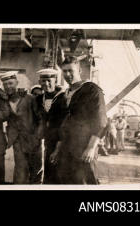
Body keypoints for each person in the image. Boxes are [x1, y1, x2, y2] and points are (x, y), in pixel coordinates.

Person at [50, 56, 107, 184]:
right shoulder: (65, 94)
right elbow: (62, 124)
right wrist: (57, 149)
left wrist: (91, 147)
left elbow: (101, 121)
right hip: (66, 148)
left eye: (71, 71)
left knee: (84, 181)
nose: (68, 74)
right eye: (64, 71)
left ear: (79, 71)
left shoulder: (92, 90)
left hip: (84, 147)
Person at [0, 71, 43, 184]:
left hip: (33, 140)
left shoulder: (30, 98)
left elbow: (41, 119)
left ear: (17, 83)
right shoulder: (4, 101)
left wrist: (37, 137)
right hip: (17, 140)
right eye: (5, 84)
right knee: (20, 171)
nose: (8, 86)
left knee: (36, 171)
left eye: (11, 83)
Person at [35, 68, 68, 184]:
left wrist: (58, 148)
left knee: (59, 175)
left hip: (61, 143)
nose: (46, 84)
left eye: (49, 80)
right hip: (47, 142)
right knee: (47, 174)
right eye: (43, 81)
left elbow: (65, 125)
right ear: (39, 82)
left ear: (55, 81)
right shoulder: (38, 99)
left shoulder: (63, 98)